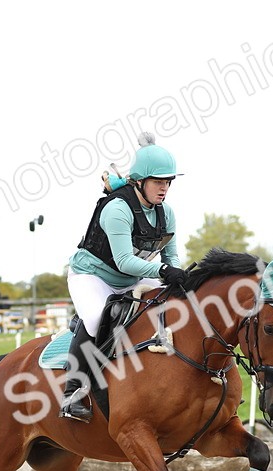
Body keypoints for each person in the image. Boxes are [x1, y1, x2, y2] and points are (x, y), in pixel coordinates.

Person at [59, 132, 188, 422]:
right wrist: (164, 271)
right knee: (95, 319)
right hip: (93, 276)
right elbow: (124, 261)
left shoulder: (166, 213)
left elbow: (171, 257)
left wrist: (175, 275)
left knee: (177, 302)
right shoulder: (117, 208)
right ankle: (73, 391)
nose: (164, 188)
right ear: (139, 181)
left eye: (168, 182)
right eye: (158, 182)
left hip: (133, 277)